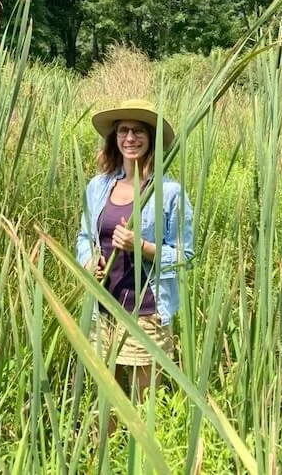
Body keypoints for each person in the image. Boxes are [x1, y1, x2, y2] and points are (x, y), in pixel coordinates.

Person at [76, 99, 194, 407]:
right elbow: (85, 235)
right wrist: (88, 261)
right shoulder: (98, 186)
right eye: (123, 130)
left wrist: (141, 247)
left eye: (139, 130)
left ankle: (142, 455)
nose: (130, 138)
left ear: (151, 137)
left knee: (146, 403)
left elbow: (185, 254)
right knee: (107, 399)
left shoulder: (170, 192)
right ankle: (106, 449)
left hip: (146, 310)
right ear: (114, 138)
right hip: (104, 308)